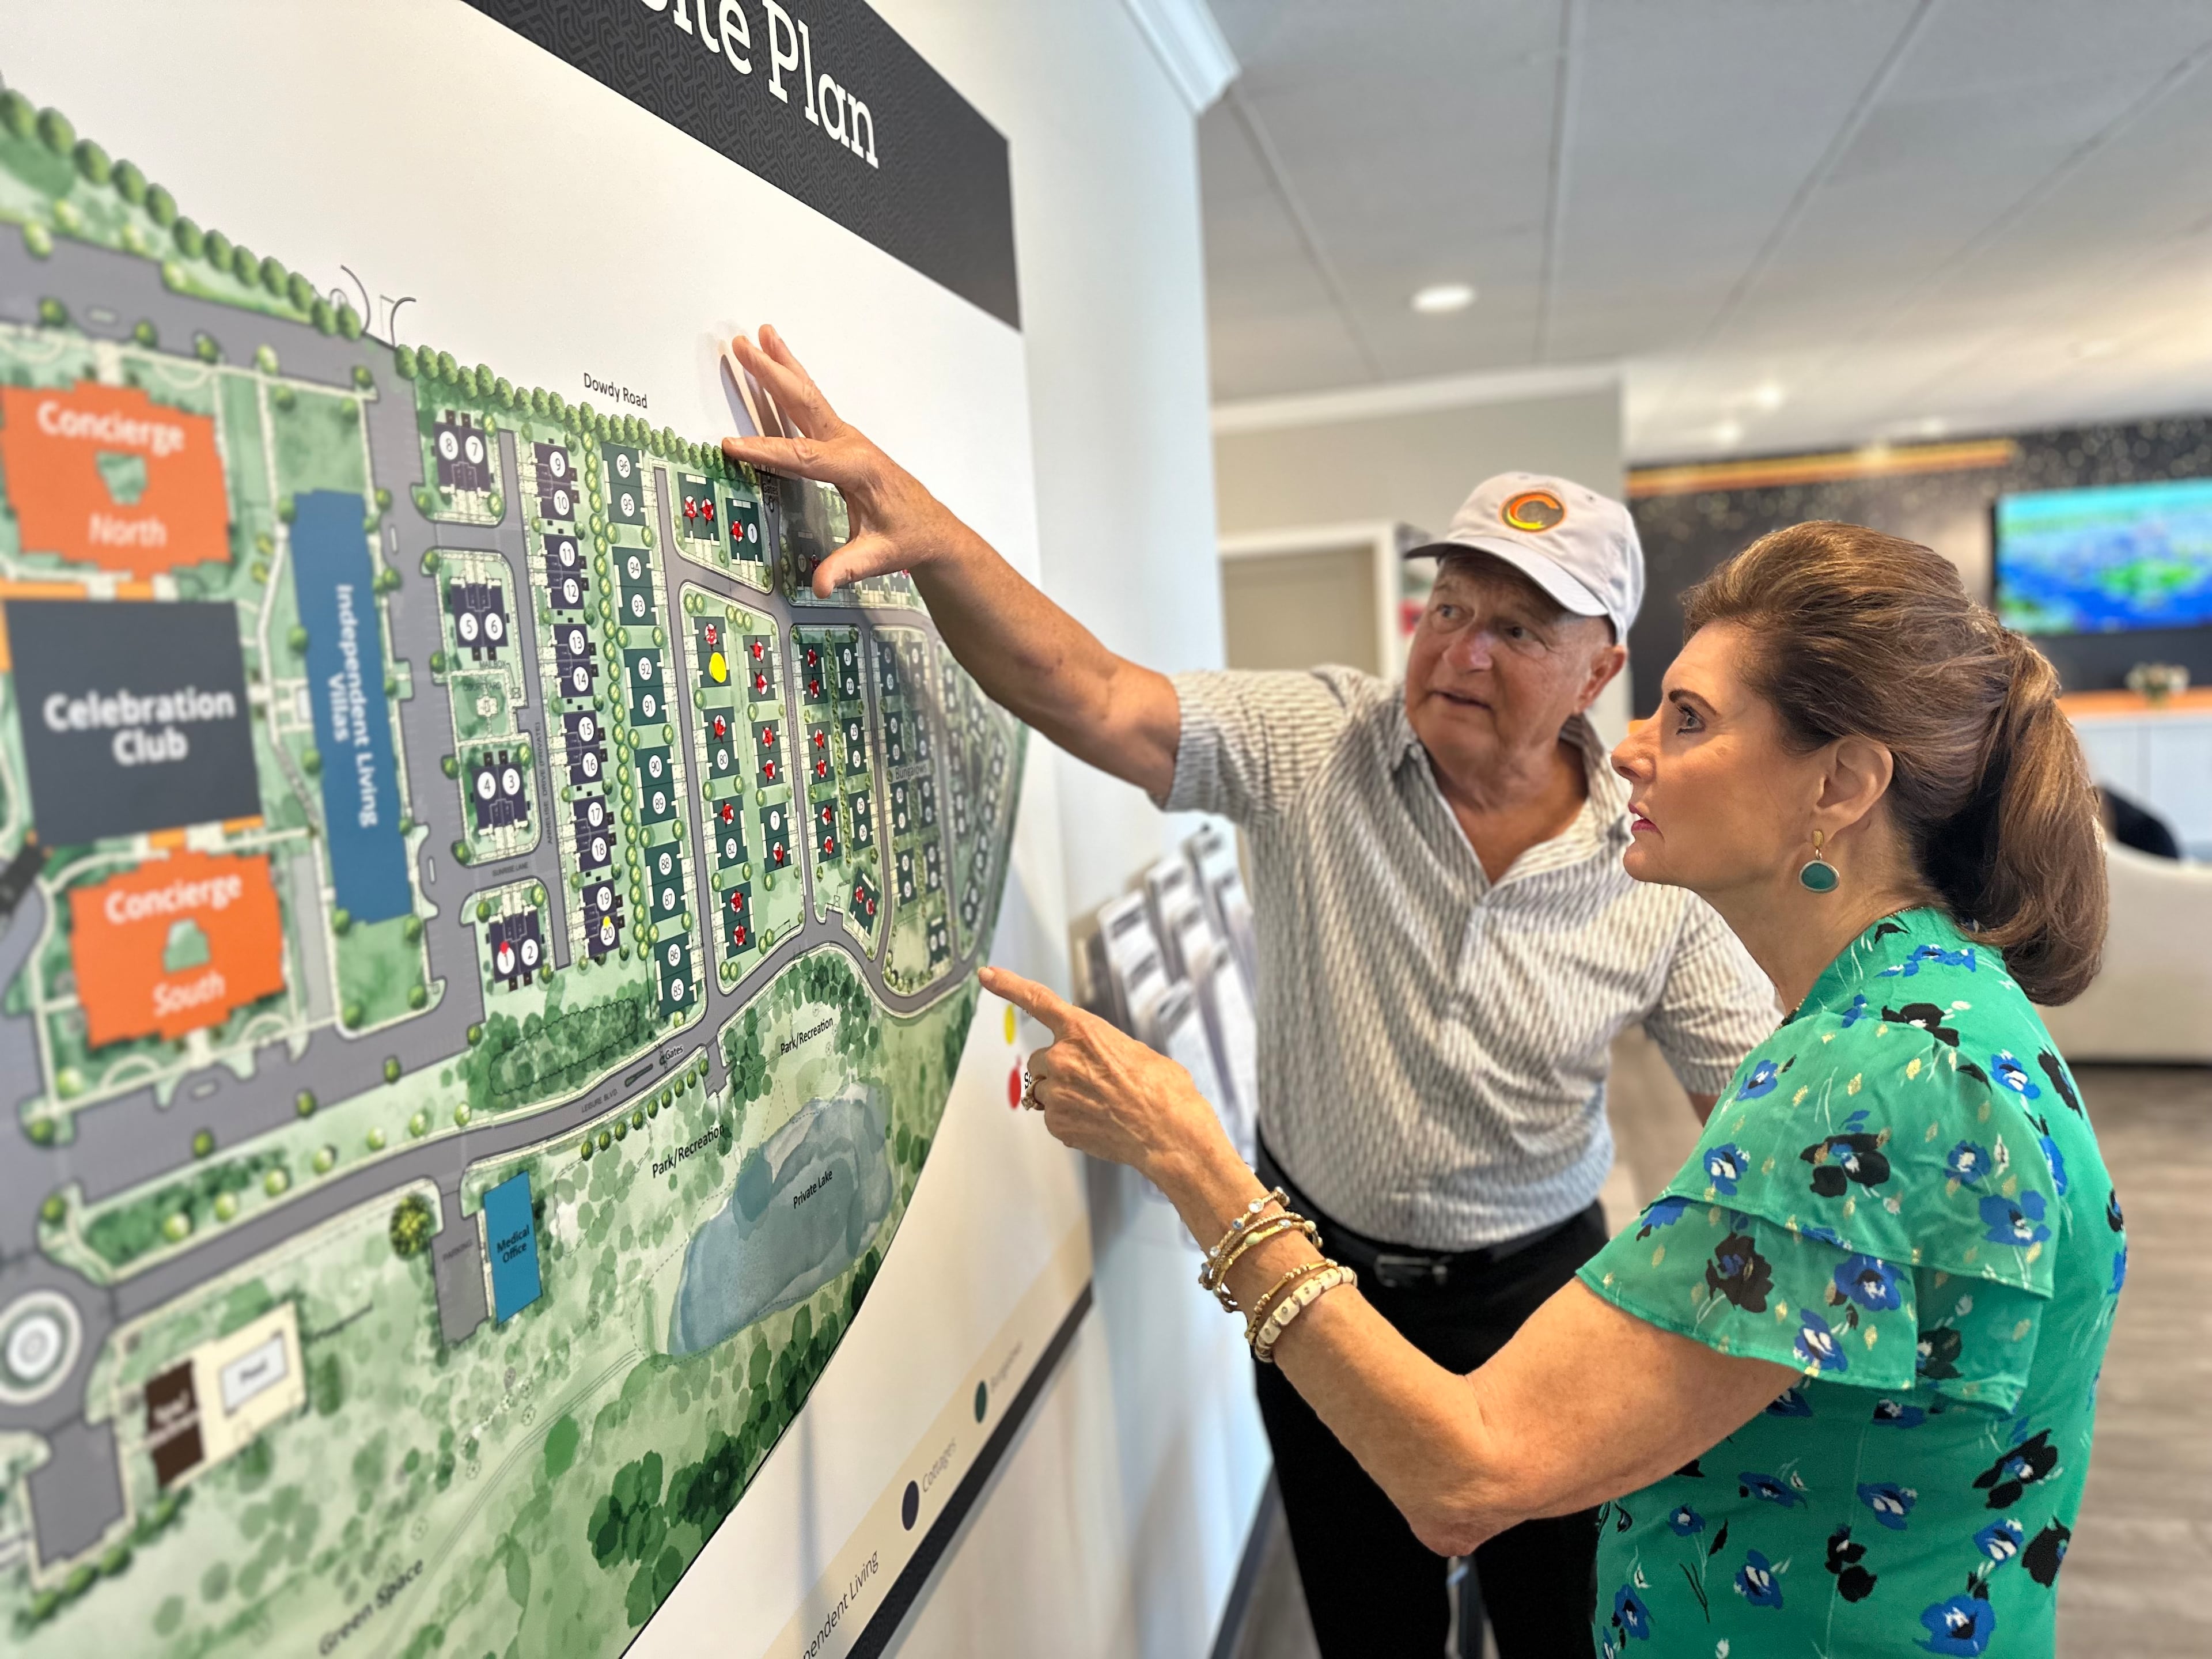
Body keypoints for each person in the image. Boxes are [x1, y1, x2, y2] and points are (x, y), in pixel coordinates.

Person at [722, 328, 1780, 1654]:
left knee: (1560, 1626)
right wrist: (934, 534)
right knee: (1367, 1623)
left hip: (1538, 1298)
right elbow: (1092, 692)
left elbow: (1764, 1127)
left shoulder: (1658, 854)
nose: (1462, 649)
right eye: (1448, 607)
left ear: (1598, 665)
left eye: (1517, 626)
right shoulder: (1318, 740)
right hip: (1314, 1278)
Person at [988, 521, 2122, 1658]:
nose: (1631, 752)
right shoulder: (1928, 1019)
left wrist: (1190, 1156)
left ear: (1839, 784)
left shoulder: (1872, 1085)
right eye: (1449, 611)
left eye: (1689, 719)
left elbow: (1466, 1471)